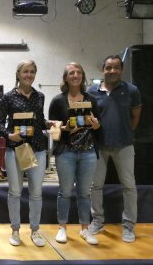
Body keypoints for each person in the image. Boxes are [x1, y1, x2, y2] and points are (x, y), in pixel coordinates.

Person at [0, 60, 51, 247]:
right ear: (18, 74)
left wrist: (49, 124)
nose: (29, 75)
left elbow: (40, 121)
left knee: (36, 192)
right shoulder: (8, 97)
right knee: (15, 192)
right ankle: (15, 230)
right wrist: (9, 135)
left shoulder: (40, 96)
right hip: (15, 149)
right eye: (25, 71)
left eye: (32, 71)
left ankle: (35, 230)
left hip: (37, 148)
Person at [87, 55, 141, 243]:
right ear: (103, 69)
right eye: (108, 67)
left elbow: (135, 117)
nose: (112, 71)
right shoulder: (92, 91)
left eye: (116, 67)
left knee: (129, 186)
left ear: (121, 69)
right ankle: (97, 221)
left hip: (124, 145)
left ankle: (128, 226)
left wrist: (124, 132)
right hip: (98, 146)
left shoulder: (131, 90)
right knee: (95, 186)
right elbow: (88, 118)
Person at [48, 62, 101, 245]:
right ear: (66, 77)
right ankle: (62, 228)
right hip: (66, 152)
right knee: (65, 192)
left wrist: (96, 124)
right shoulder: (57, 101)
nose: (75, 75)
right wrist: (65, 128)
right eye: (71, 72)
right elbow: (54, 131)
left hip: (88, 152)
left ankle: (85, 229)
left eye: (78, 72)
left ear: (82, 76)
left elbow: (98, 126)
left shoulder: (91, 99)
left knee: (84, 193)